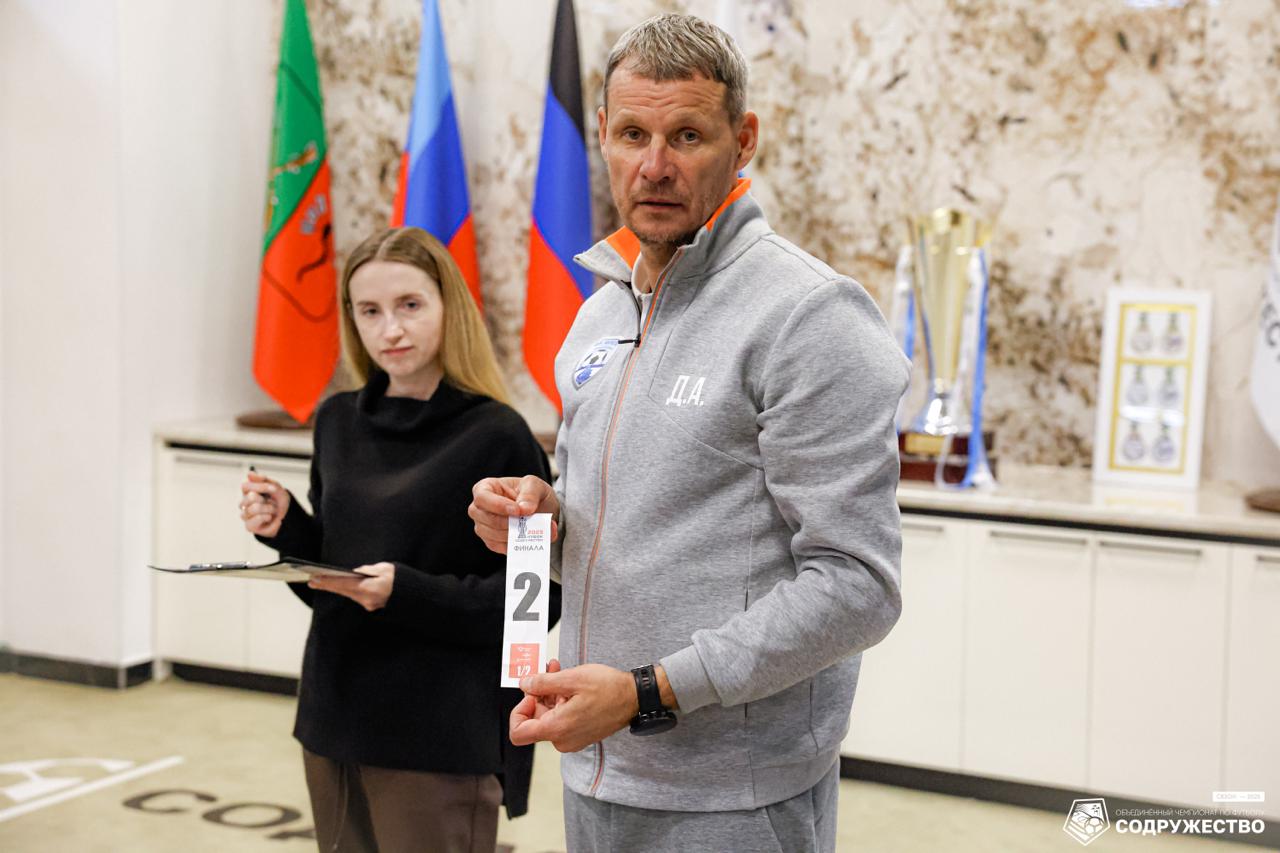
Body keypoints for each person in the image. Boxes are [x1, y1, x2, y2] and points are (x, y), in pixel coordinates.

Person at [468, 13, 910, 853]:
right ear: (603, 135)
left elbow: (858, 585)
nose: (655, 166)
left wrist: (647, 692)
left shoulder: (809, 315)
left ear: (743, 141)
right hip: (594, 765)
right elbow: (634, 535)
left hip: (734, 796)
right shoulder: (598, 317)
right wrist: (545, 524)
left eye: (688, 136)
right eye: (633, 134)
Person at [240, 226, 556, 853]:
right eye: (370, 311)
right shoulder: (336, 421)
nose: (391, 329)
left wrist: (404, 593)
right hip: (333, 718)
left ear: (448, 306)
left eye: (409, 305)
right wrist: (288, 530)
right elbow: (335, 587)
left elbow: (535, 606)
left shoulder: (498, 435)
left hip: (438, 734)